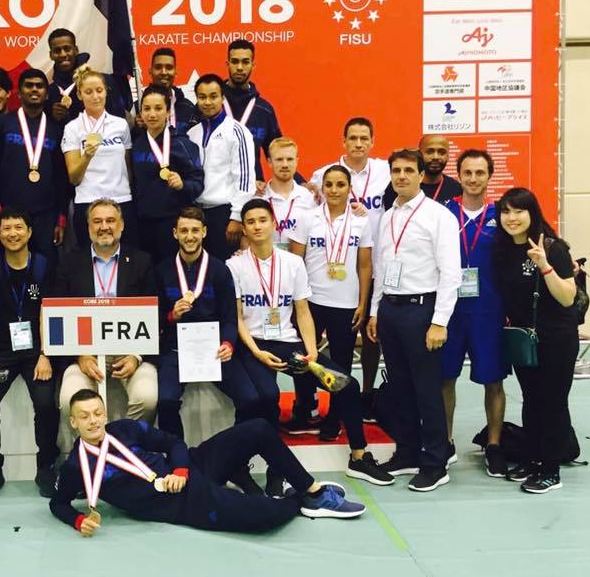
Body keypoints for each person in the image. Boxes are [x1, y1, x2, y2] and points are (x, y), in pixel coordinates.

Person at [231, 199, 392, 495]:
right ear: (244, 228)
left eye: (262, 220)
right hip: (255, 345)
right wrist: (256, 352)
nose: (257, 226)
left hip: (288, 343)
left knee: (347, 385)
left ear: (274, 224)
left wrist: (312, 351)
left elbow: (303, 312)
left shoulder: (293, 263)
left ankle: (359, 456)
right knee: (268, 397)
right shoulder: (235, 265)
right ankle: (275, 472)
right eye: (250, 222)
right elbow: (237, 317)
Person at [50, 389, 365, 536]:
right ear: (73, 422)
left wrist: (180, 469)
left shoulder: (124, 429)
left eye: (97, 413)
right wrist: (78, 521)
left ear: (104, 413)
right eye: (84, 416)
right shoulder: (76, 467)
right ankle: (298, 501)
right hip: (182, 505)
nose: (93, 421)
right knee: (264, 517)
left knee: (258, 428)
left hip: (193, 466)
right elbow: (58, 504)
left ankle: (312, 491)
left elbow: (173, 443)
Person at [367, 149, 461, 492]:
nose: (402, 176)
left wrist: (439, 322)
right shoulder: (387, 216)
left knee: (426, 390)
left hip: (423, 310)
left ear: (422, 175)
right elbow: (381, 268)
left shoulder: (439, 216)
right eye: (396, 170)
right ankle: (407, 452)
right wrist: (375, 310)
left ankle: (435, 462)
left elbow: (451, 273)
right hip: (391, 310)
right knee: (400, 388)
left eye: (409, 170)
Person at [153, 207, 265, 441]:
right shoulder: (162, 271)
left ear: (204, 232)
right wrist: (172, 315)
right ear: (175, 233)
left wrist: (228, 344)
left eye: (195, 230)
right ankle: (177, 455)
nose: (189, 236)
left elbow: (230, 317)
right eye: (184, 230)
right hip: (176, 349)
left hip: (214, 349)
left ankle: (233, 454)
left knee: (250, 399)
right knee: (165, 401)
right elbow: (155, 318)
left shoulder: (220, 270)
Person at [494, 188, 579, 493]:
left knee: (553, 402)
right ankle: (533, 460)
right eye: (506, 211)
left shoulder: (553, 247)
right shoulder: (503, 250)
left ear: (533, 213)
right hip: (524, 339)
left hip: (557, 338)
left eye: (519, 211)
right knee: (531, 400)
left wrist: (544, 265)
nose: (512, 218)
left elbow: (567, 297)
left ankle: (551, 470)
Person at [0, 207, 59, 502]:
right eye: (6, 229)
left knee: (46, 404)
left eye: (18, 227)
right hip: (0, 353)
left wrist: (46, 354)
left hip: (36, 352)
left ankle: (46, 467)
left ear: (29, 232)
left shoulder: (44, 266)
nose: (13, 234)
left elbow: (50, 312)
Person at [310, 117, 390, 419]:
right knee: (314, 342)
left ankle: (366, 393)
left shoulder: (385, 171)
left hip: (373, 263)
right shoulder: (322, 174)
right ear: (343, 141)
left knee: (370, 335)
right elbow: (305, 201)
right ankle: (313, 401)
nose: (358, 144)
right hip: (334, 270)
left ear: (372, 141)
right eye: (352, 138)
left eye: (364, 138)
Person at [288, 166, 374, 442]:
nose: (334, 190)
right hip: (311, 301)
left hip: (346, 303)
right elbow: (295, 262)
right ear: (322, 188)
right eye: (329, 185)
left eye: (340, 185)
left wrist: (362, 302)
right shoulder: (307, 217)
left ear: (350, 188)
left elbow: (365, 265)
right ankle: (305, 409)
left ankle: (335, 417)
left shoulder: (361, 221)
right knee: (303, 358)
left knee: (341, 363)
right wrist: (296, 301)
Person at [55, 199, 159, 421]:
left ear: (121, 225)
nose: (104, 227)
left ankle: (128, 440)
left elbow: (155, 315)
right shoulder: (70, 263)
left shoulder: (141, 261)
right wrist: (80, 355)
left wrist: (136, 356)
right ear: (88, 227)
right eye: (97, 221)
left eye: (110, 220)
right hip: (86, 352)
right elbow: (58, 317)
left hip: (130, 349)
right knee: (68, 399)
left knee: (147, 398)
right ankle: (91, 444)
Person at [442, 150, 508, 477]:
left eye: (480, 172)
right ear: (459, 175)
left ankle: (494, 445)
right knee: (444, 378)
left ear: (489, 176)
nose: (473, 178)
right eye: (467, 172)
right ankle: (445, 441)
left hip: (488, 312)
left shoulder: (503, 215)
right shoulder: (444, 212)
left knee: (493, 381)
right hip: (449, 310)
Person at [0, 68, 68, 269]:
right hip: (9, 211)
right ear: (19, 93)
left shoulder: (56, 129)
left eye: (39, 86)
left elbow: (61, 176)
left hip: (46, 214)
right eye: (29, 85)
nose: (34, 89)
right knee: (9, 268)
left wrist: (61, 217)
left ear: (46, 94)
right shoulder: (2, 124)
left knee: (45, 268)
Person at [63, 64, 138, 247]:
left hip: (121, 199)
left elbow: (128, 168)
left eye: (99, 90)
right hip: (88, 201)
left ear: (106, 91)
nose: (95, 97)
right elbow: (74, 178)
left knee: (126, 255)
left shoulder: (121, 125)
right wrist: (87, 156)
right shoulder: (72, 128)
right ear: (79, 95)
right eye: (88, 92)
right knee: (90, 257)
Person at [130, 84, 205, 263]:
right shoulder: (137, 144)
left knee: (170, 270)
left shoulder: (182, 144)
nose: (152, 114)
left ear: (168, 112)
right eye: (147, 109)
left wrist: (183, 184)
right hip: (143, 222)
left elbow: (198, 183)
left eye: (158, 108)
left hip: (172, 222)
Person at [187, 74, 256, 259]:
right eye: (202, 97)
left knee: (225, 268)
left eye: (213, 96)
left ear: (222, 97)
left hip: (224, 214)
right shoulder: (192, 133)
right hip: (198, 213)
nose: (207, 102)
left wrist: (236, 216)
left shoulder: (237, 131)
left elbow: (245, 178)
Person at [222, 40, 282, 195]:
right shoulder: (212, 105)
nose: (239, 67)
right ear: (227, 64)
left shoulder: (264, 110)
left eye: (245, 62)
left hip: (254, 189)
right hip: (216, 192)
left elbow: (278, 153)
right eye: (235, 61)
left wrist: (301, 182)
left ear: (253, 65)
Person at [45, 27, 129, 121]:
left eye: (67, 49)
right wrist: (53, 117)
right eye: (57, 51)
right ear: (51, 55)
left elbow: (119, 120)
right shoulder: (51, 92)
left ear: (76, 50)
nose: (63, 54)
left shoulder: (103, 81)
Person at [262, 138, 316, 251]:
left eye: (290, 159)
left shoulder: (309, 198)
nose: (285, 165)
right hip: (266, 261)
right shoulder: (259, 197)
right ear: (269, 162)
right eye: (279, 159)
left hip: (301, 260)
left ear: (296, 161)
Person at [382, 134, 462, 209]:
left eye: (441, 152)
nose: (436, 157)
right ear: (419, 154)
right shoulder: (399, 185)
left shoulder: (456, 189)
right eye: (430, 152)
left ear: (448, 156)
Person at [133, 47, 197, 135]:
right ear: (150, 71)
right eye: (158, 67)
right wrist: (137, 129)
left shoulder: (188, 108)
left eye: (169, 68)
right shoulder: (137, 108)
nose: (163, 72)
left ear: (175, 72)